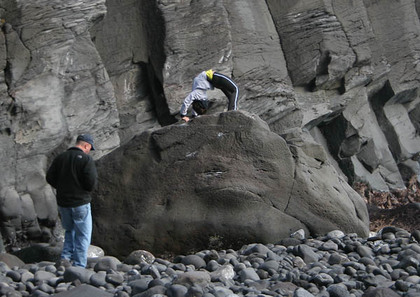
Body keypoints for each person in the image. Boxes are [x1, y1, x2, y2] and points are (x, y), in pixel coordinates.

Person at [46, 134, 98, 267]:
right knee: (83, 234)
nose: (88, 151)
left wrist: (62, 187)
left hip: (63, 202)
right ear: (86, 145)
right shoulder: (86, 159)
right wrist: (82, 190)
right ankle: (79, 265)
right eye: (89, 148)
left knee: (69, 230)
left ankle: (65, 258)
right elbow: (91, 182)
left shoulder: (60, 158)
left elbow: (50, 177)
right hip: (80, 202)